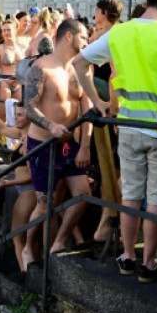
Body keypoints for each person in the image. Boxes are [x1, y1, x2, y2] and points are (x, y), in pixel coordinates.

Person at [75, 0, 157, 282]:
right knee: (156, 199)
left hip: (129, 126)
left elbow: (79, 63)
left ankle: (127, 256)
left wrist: (99, 103)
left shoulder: (120, 33)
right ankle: (148, 262)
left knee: (130, 196)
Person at [21, 19, 93, 265]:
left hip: (69, 143)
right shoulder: (41, 68)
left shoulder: (83, 68)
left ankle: (60, 241)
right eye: (83, 38)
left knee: (83, 194)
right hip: (42, 144)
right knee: (44, 204)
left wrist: (84, 145)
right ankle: (29, 248)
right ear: (69, 37)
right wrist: (50, 125)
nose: (87, 43)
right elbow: (29, 108)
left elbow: (87, 110)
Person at [0, 100, 34, 272]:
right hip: (26, 192)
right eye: (15, 114)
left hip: (29, 192)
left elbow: (32, 176)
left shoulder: (28, 142)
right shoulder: (22, 135)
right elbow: (3, 129)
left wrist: (7, 183)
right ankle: (28, 271)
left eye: (20, 115)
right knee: (26, 238)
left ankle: (26, 275)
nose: (16, 118)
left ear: (31, 116)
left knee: (17, 236)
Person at [0, 19, 24, 100]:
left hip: (19, 84)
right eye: (4, 30)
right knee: (6, 109)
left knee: (18, 111)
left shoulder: (21, 47)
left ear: (14, 31)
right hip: (5, 83)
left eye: (8, 30)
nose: (6, 32)